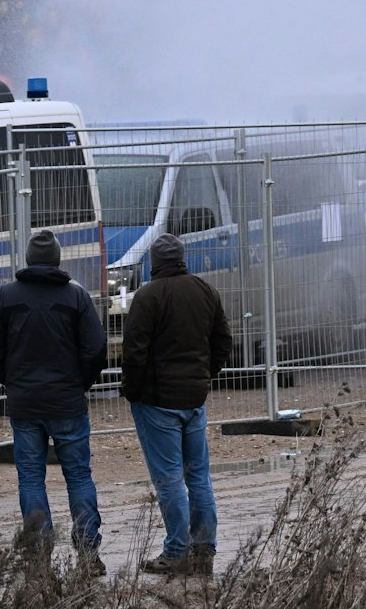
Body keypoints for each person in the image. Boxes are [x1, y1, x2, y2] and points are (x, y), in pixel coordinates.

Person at [0, 230, 109, 571]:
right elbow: (95, 349)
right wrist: (79, 383)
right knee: (79, 475)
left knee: (31, 477)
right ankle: (88, 553)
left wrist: (12, 379)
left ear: (29, 259)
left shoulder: (6, 297)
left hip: (26, 403)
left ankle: (38, 554)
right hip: (67, 402)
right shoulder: (76, 297)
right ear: (57, 259)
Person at [121, 233, 233, 576]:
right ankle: (204, 550)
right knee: (198, 476)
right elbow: (223, 342)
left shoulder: (147, 296)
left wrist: (133, 390)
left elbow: (134, 351)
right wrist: (204, 376)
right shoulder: (205, 290)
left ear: (154, 262)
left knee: (169, 478)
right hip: (193, 398)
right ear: (182, 258)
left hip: (157, 402)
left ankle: (176, 552)